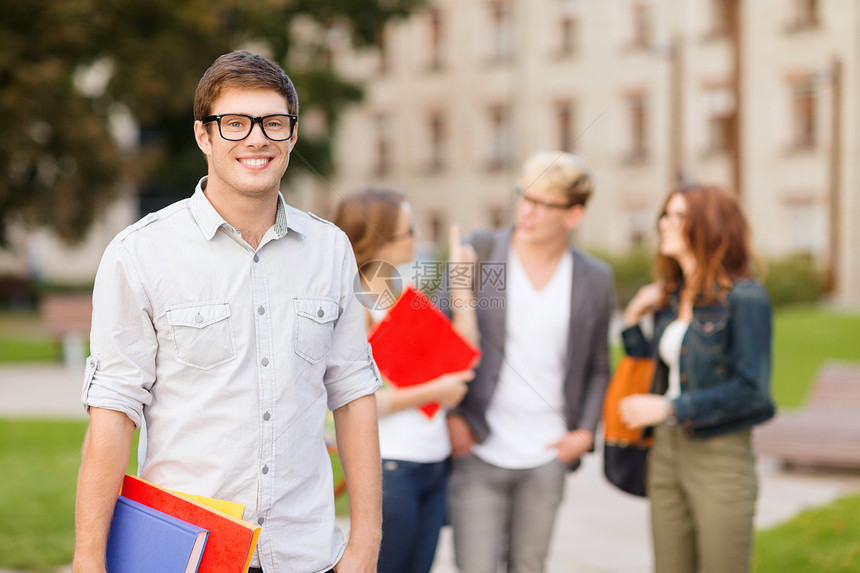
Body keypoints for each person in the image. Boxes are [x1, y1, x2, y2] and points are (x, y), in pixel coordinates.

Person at [72, 51, 382, 573]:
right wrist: (88, 561)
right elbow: (112, 415)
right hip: (187, 557)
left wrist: (365, 545)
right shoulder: (140, 253)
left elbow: (354, 395)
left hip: (306, 555)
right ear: (203, 136)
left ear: (292, 135)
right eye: (235, 123)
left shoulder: (330, 250)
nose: (256, 139)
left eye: (272, 123)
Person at [445, 151, 616, 573]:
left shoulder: (593, 278)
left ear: (573, 215)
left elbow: (597, 365)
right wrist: (451, 414)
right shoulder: (483, 255)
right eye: (524, 197)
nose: (526, 210)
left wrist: (584, 433)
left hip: (547, 454)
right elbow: (438, 337)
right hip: (480, 447)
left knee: (528, 566)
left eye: (542, 204)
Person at [619, 184, 775, 573]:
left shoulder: (745, 298)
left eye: (677, 216)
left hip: (719, 455)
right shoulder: (673, 297)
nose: (663, 224)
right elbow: (652, 365)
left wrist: (669, 407)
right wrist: (633, 317)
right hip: (667, 452)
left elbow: (752, 391)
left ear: (710, 226)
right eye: (665, 214)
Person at [332, 186, 477, 573]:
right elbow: (359, 403)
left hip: (432, 462)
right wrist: (436, 391)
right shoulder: (356, 306)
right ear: (377, 239)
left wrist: (461, 284)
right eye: (407, 230)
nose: (416, 237)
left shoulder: (402, 298)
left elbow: (461, 355)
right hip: (392, 468)